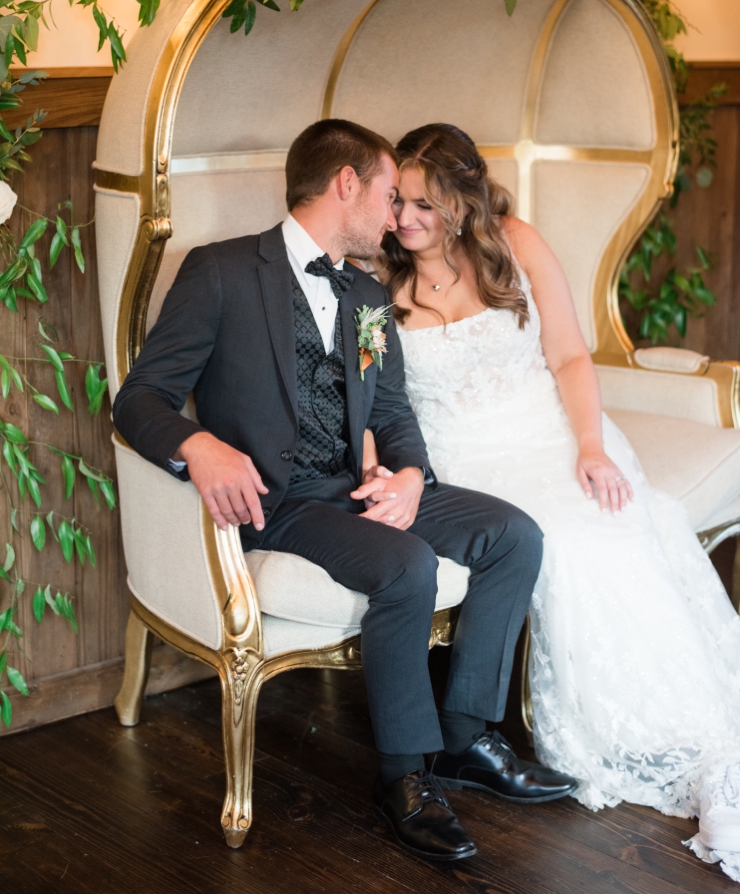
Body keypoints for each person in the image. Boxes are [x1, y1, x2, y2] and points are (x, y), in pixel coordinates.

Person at [113, 118, 579, 865]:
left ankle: (463, 736)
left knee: (513, 535)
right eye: (391, 195)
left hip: (354, 488)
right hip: (282, 503)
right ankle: (403, 779)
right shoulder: (223, 272)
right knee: (406, 568)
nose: (396, 216)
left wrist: (408, 478)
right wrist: (199, 445)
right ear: (347, 184)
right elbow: (139, 399)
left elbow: (392, 413)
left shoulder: (364, 294)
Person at [374, 123, 740, 886]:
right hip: (463, 463)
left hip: (549, 434)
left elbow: (571, 355)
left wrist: (589, 445)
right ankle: (489, 739)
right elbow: (371, 401)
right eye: (397, 201)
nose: (404, 217)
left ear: (461, 200)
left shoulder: (513, 242)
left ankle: (691, 732)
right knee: (557, 544)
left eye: (423, 202)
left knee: (610, 523)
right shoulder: (376, 281)